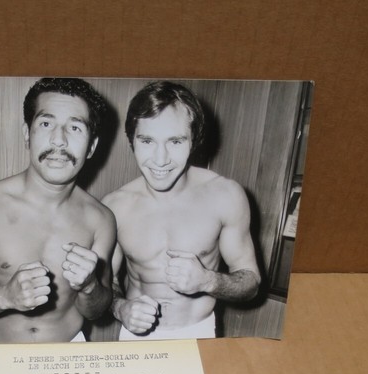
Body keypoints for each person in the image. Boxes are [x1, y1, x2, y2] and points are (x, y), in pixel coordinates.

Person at [0, 78, 116, 343]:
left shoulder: (100, 220)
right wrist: (4, 297)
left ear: (91, 146)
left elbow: (96, 311)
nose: (59, 140)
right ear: (27, 134)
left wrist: (90, 286)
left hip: (70, 351)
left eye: (75, 128)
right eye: (46, 124)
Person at [102, 81, 260, 340]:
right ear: (132, 141)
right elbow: (105, 285)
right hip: (135, 337)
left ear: (193, 140)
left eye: (175, 141)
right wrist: (121, 308)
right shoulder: (115, 206)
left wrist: (208, 281)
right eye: (147, 141)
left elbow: (251, 282)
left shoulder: (226, 195)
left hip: (198, 332)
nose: (160, 159)